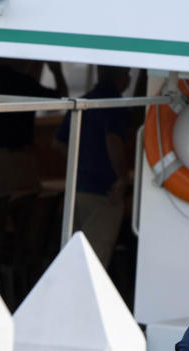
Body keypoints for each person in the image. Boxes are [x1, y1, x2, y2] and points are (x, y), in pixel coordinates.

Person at [54, 65, 133, 267]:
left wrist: (81, 162)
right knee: (93, 263)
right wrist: (123, 178)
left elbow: (58, 142)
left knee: (71, 258)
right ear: (121, 77)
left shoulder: (85, 99)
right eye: (128, 73)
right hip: (105, 192)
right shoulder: (114, 103)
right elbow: (113, 140)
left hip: (77, 189)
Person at [0, 57, 68, 192]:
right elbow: (62, 99)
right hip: (15, 160)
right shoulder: (24, 83)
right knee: (23, 208)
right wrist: (57, 72)